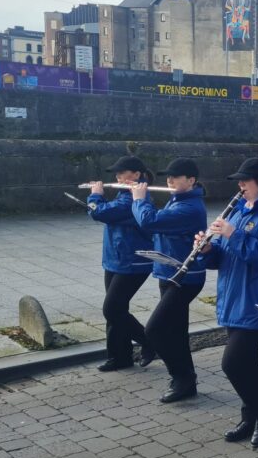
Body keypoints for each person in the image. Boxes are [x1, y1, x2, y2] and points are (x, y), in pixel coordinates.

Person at [196, 158, 258, 449]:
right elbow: (224, 258)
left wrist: (234, 234)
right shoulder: (239, 212)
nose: (239, 186)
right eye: (238, 181)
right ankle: (249, 415)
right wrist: (207, 249)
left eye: (245, 181)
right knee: (249, 362)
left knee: (233, 362)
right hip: (234, 297)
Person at [130, 158, 208, 402]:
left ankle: (181, 376)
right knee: (176, 332)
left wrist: (139, 200)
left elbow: (149, 221)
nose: (170, 181)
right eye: (168, 177)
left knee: (155, 330)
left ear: (191, 180)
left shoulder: (190, 207)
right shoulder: (178, 200)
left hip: (186, 278)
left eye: (176, 177)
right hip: (169, 273)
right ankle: (186, 381)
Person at [87, 155, 155, 373]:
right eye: (115, 173)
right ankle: (119, 356)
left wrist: (96, 195)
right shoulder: (123, 194)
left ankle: (150, 342)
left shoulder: (134, 199)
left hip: (133, 261)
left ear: (136, 175)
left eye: (121, 172)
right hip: (116, 259)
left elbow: (99, 212)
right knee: (116, 311)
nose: (117, 176)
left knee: (113, 309)